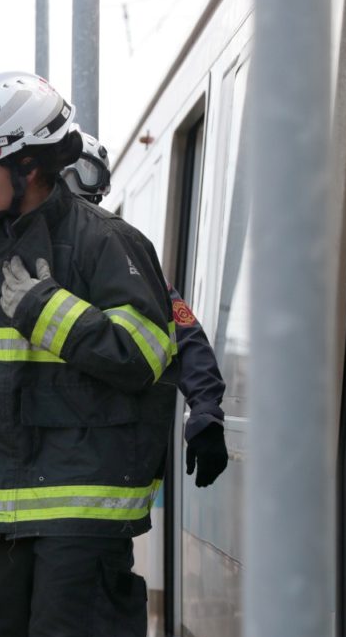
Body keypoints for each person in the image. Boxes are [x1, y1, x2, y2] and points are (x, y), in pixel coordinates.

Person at [0, 71, 178, 637]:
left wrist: (48, 310)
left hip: (82, 524)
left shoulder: (108, 244)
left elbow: (146, 355)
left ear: (30, 167)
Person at [62, 129, 228, 486]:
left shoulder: (126, 258)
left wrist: (205, 412)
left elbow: (184, 336)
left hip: (106, 455)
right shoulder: (5, 256)